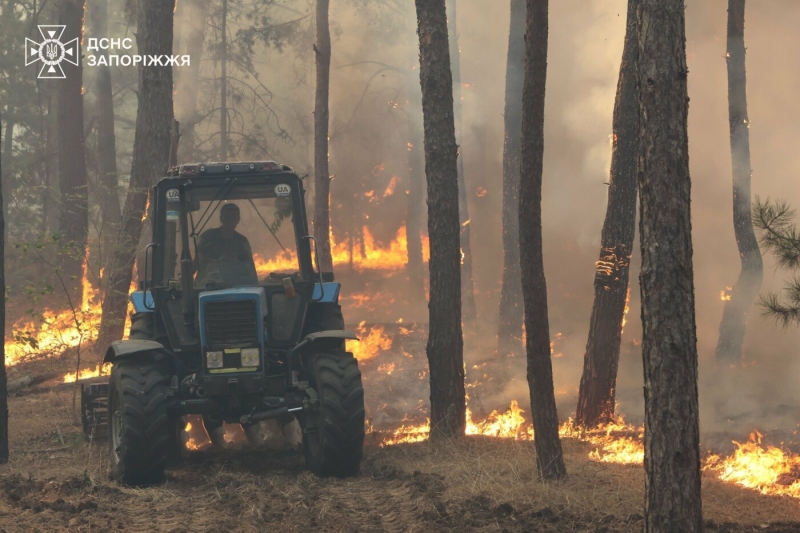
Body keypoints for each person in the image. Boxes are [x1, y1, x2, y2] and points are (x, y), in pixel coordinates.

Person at [196, 203, 256, 283]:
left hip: (236, 287)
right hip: (207, 286)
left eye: (233, 216)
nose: (230, 220)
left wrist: (236, 263)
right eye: (227, 217)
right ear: (221, 219)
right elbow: (195, 264)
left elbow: (251, 273)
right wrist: (216, 263)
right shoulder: (207, 237)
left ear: (238, 219)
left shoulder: (242, 242)